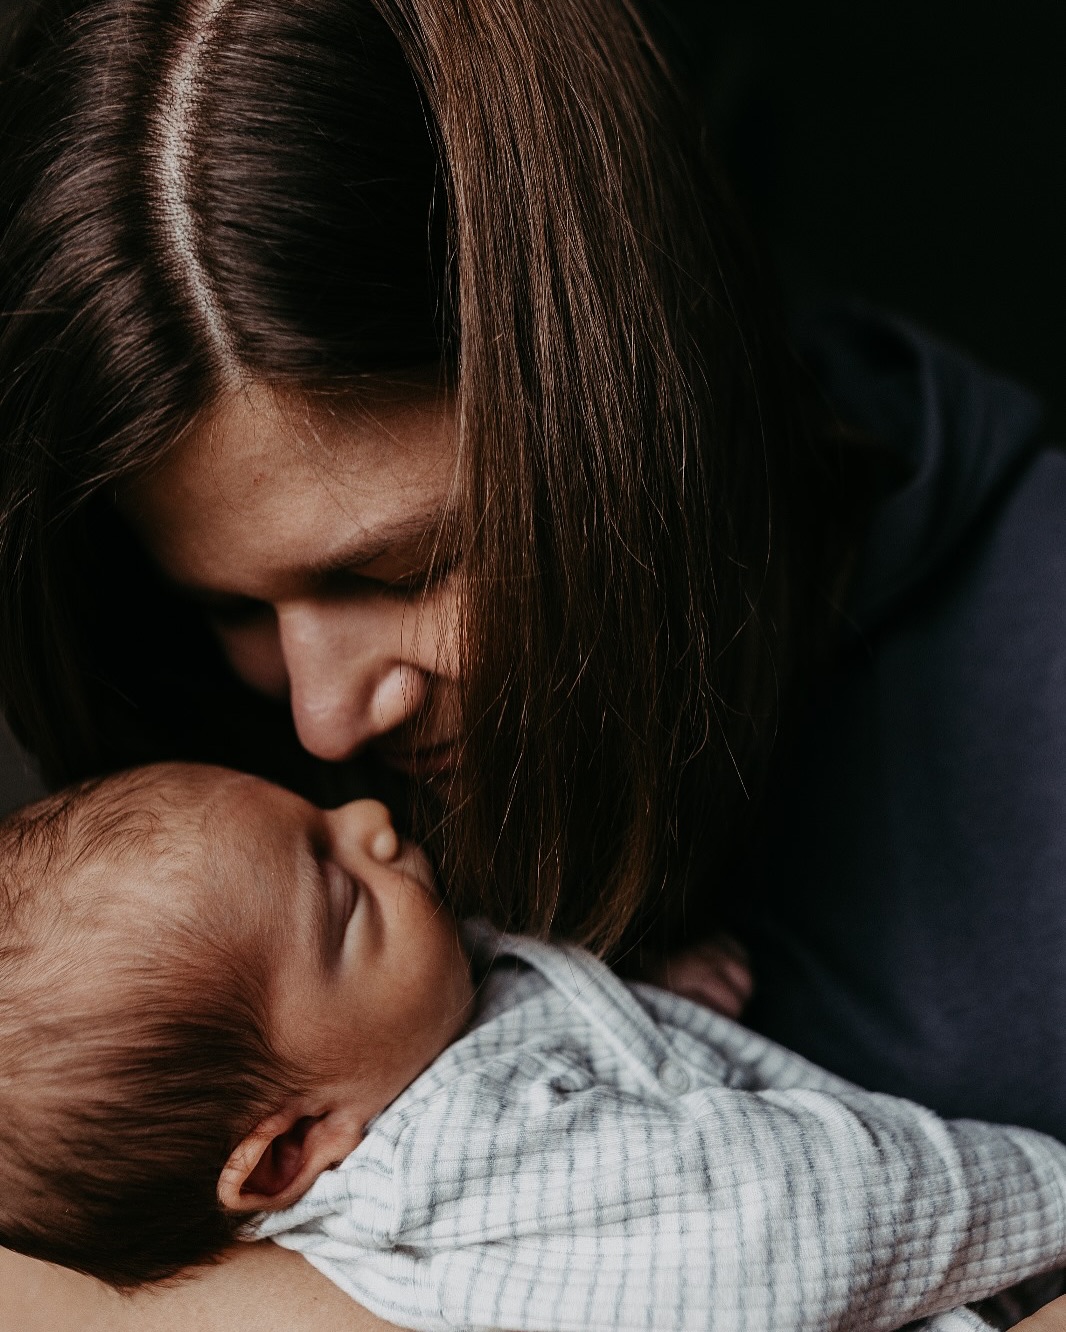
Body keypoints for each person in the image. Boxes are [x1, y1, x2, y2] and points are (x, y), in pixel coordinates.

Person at [1, 1, 1064, 1329]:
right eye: (228, 606)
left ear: (632, 403)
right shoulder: (172, 826)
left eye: (402, 571)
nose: (328, 726)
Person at [1, 760, 1063, 1332]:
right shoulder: (461, 1156)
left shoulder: (374, 1057)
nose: (369, 817)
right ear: (289, 1152)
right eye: (337, 887)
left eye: (313, 817)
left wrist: (624, 1000)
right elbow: (797, 1225)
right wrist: (1045, 1191)